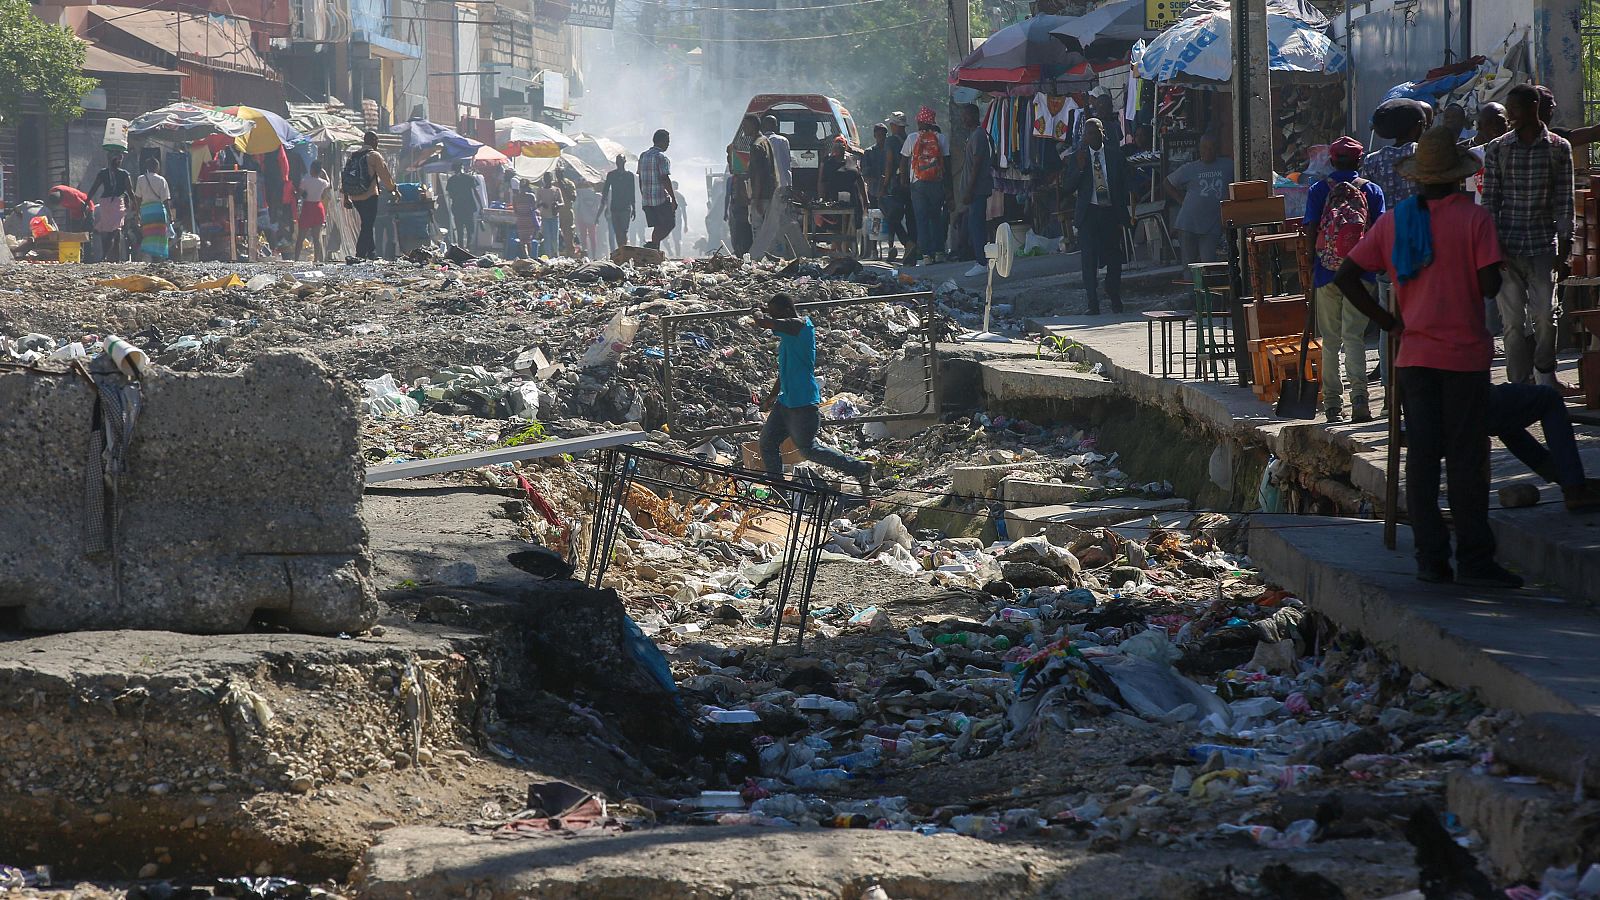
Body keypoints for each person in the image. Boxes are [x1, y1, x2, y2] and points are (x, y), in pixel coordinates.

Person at [1334, 125, 1522, 588]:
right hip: (1463, 357)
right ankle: (1475, 559)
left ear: (1419, 178)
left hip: (1413, 355)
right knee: (1466, 460)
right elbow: (1488, 288)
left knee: (1421, 460)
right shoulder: (1474, 219)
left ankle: (1430, 559)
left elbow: (1347, 276)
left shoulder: (1396, 220)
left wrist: (1387, 320)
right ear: (1459, 178)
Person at [1483, 83, 1574, 388]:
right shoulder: (1498, 149)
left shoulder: (1559, 148)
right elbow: (1491, 202)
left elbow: (1565, 202)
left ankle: (1545, 374)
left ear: (1534, 108)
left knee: (1546, 316)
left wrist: (1565, 250)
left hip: (1542, 245)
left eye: (1516, 109)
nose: (1510, 116)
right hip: (1506, 247)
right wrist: (1494, 248)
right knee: (1511, 324)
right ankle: (1520, 386)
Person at [753, 292, 874, 496]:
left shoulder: (800, 326)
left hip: (802, 404)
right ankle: (780, 492)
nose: (775, 320)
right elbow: (784, 372)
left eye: (777, 315)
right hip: (786, 403)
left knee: (809, 450)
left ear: (787, 312)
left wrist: (757, 310)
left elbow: (762, 322)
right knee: (767, 443)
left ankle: (859, 469)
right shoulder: (788, 336)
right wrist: (772, 398)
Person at [1302, 135, 1385, 422]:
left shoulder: (1317, 191)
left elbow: (1311, 229)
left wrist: (1312, 264)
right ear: (1360, 161)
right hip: (1361, 274)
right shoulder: (1372, 190)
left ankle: (1333, 406)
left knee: (1330, 340)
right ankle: (1360, 400)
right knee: (1355, 337)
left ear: (1332, 160)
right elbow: (1378, 234)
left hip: (1326, 273)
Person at [1488, 383, 1600, 511]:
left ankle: (1565, 478)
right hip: (1473, 396)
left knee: (1508, 419)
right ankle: (1574, 487)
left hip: (1464, 404)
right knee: (1549, 397)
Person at [1066, 118, 1130, 315]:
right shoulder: (1077, 157)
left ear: (1103, 133)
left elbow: (1123, 185)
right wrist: (1081, 168)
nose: (1091, 136)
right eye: (1088, 133)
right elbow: (1068, 187)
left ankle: (1114, 297)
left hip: (1110, 212)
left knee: (1113, 257)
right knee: (1089, 260)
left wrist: (1123, 215)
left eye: (1095, 132)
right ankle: (1092, 302)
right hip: (1089, 214)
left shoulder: (1115, 156)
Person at [1164, 132, 1233, 264]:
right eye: (1205, 147)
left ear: (1217, 148)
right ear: (1200, 149)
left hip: (1212, 224)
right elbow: (1167, 183)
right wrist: (1181, 200)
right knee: (1189, 265)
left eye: (1212, 147)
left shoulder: (1228, 165)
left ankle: (1206, 285)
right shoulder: (1190, 168)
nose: (1208, 151)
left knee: (1209, 264)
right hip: (1188, 223)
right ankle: (1189, 285)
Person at [903, 106, 950, 266]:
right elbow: (947, 164)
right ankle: (939, 252)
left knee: (921, 219)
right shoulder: (942, 139)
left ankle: (926, 255)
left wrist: (905, 182)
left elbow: (904, 161)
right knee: (935, 218)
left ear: (920, 121)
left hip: (918, 183)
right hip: (936, 183)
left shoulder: (912, 138)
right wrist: (948, 187)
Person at [341, 130, 397, 260]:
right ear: (373, 141)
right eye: (376, 140)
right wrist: (393, 189)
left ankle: (371, 252)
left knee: (367, 222)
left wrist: (346, 198)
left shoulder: (354, 156)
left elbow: (345, 178)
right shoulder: (374, 156)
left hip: (355, 196)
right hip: (370, 195)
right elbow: (385, 175)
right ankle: (360, 253)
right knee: (367, 224)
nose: (377, 143)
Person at [1366, 98, 1428, 209]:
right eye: (1425, 125)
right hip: (1419, 223)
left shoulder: (1371, 160)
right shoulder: (1423, 154)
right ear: (1418, 126)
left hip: (1384, 224)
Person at [958, 104, 994, 277]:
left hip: (977, 190)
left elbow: (977, 165)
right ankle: (980, 259)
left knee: (976, 225)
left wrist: (969, 190)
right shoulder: (973, 135)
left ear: (974, 115)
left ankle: (982, 262)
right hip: (974, 190)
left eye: (966, 115)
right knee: (973, 225)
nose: (963, 119)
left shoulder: (979, 135)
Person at [87, 150, 135, 262]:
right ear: (119, 161)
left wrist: (86, 202)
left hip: (105, 204)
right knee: (115, 231)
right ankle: (106, 255)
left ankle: (113, 258)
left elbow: (94, 188)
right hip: (117, 203)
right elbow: (130, 191)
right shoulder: (124, 174)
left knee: (108, 231)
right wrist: (136, 206)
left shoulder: (103, 173)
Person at [638, 129, 678, 250]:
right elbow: (664, 178)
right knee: (669, 223)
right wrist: (673, 198)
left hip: (647, 200)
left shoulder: (643, 156)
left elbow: (640, 178)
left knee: (658, 225)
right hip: (660, 199)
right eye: (667, 141)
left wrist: (643, 194)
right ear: (661, 141)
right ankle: (652, 244)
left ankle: (654, 252)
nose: (668, 144)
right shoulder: (661, 158)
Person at [727, 114, 759, 256]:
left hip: (747, 201)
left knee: (744, 229)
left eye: (746, 126)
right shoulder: (736, 175)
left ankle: (745, 252)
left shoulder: (757, 146)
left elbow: (755, 174)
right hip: (744, 202)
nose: (744, 129)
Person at [133, 157, 173, 262]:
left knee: (148, 235)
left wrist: (137, 213)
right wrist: (170, 215)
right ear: (157, 167)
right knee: (159, 236)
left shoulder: (140, 179)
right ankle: (158, 259)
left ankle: (149, 258)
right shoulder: (161, 180)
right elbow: (165, 200)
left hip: (146, 212)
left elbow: (137, 198)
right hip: (159, 211)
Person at [295, 162, 331, 263]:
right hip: (318, 208)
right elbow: (329, 183)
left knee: (301, 237)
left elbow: (299, 195)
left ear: (311, 169)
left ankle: (296, 259)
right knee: (316, 237)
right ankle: (316, 260)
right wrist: (325, 173)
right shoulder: (323, 182)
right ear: (319, 171)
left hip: (307, 208)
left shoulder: (305, 181)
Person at [600, 155, 636, 250]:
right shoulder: (611, 175)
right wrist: (604, 202)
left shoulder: (629, 175)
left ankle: (623, 249)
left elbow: (632, 191)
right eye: (618, 161)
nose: (619, 163)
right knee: (617, 231)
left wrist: (634, 207)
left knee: (624, 231)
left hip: (626, 207)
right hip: (615, 207)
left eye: (621, 161)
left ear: (625, 162)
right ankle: (621, 249)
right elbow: (606, 189)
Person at [446, 162, 480, 248]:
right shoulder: (469, 178)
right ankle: (468, 247)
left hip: (457, 208)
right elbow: (476, 193)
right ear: (462, 167)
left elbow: (450, 194)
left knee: (459, 229)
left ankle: (461, 247)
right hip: (469, 207)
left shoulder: (451, 180)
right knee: (470, 229)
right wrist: (481, 206)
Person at [535, 173, 562, 257]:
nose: (548, 180)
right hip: (545, 217)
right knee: (547, 238)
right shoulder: (540, 191)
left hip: (554, 216)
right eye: (546, 179)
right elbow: (536, 205)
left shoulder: (556, 190)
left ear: (551, 179)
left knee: (555, 238)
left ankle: (555, 255)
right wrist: (542, 204)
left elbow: (562, 203)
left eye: (549, 178)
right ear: (544, 180)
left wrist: (557, 205)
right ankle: (548, 256)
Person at [557, 165, 578, 255]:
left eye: (560, 173)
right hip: (556, 214)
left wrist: (563, 186)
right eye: (557, 173)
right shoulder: (553, 184)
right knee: (557, 238)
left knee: (569, 235)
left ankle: (571, 254)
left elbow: (573, 197)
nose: (558, 175)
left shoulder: (569, 184)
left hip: (567, 212)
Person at [575, 184, 600, 257]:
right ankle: (594, 255)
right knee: (592, 238)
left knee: (583, 237)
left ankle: (585, 254)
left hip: (582, 218)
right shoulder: (596, 195)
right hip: (592, 219)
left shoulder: (580, 192)